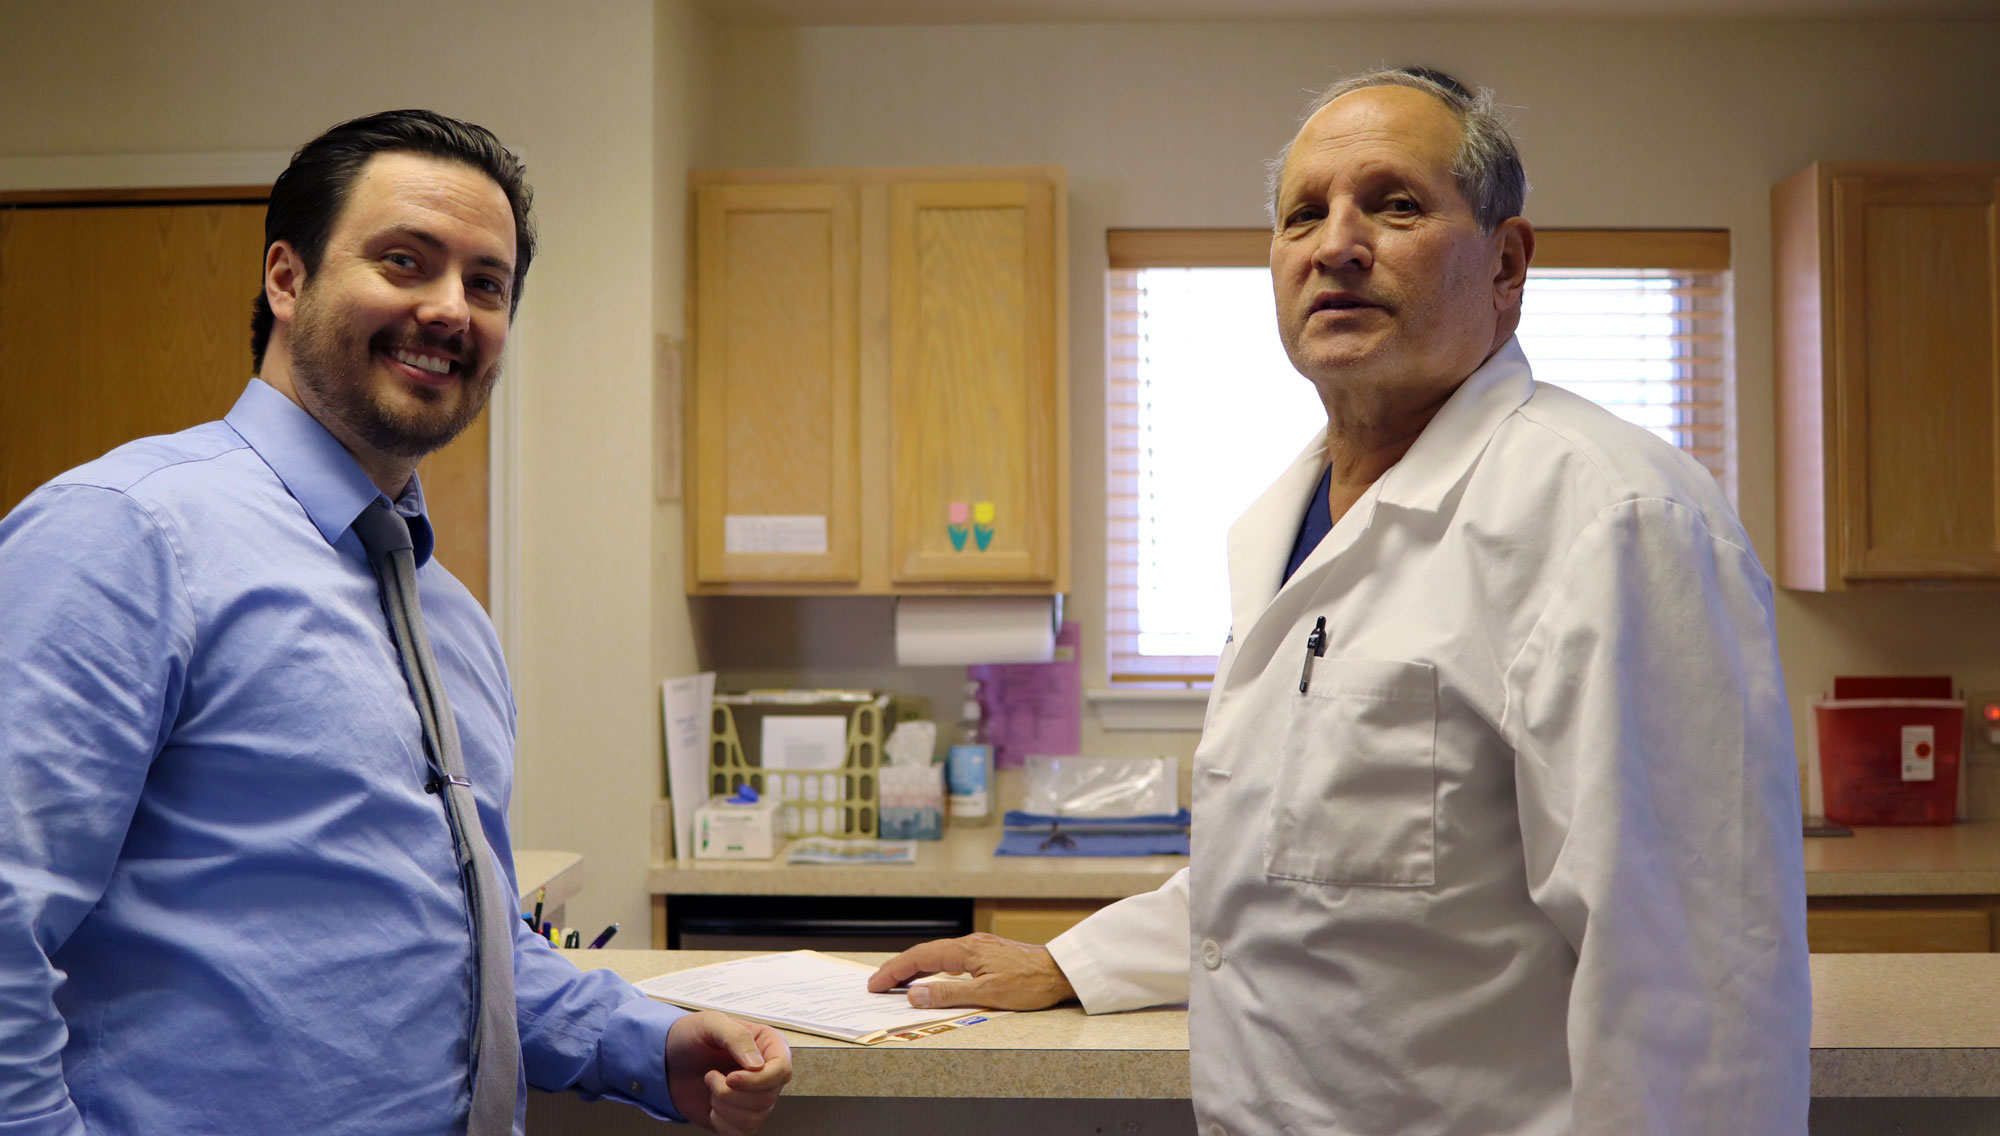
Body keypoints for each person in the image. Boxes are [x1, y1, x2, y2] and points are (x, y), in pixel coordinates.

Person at [871, 69, 1810, 1134]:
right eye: (1301, 214)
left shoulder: (1611, 515)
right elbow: (1288, 878)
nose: (1335, 243)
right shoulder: (1289, 521)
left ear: (1505, 262)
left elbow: (1694, 992)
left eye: (1394, 204)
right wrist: (1064, 960)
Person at [0, 110, 790, 1136]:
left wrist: (646, 1044)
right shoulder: (126, 534)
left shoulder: (443, 612)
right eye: (404, 260)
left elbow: (470, 941)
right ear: (286, 279)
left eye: (486, 283)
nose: (450, 309)